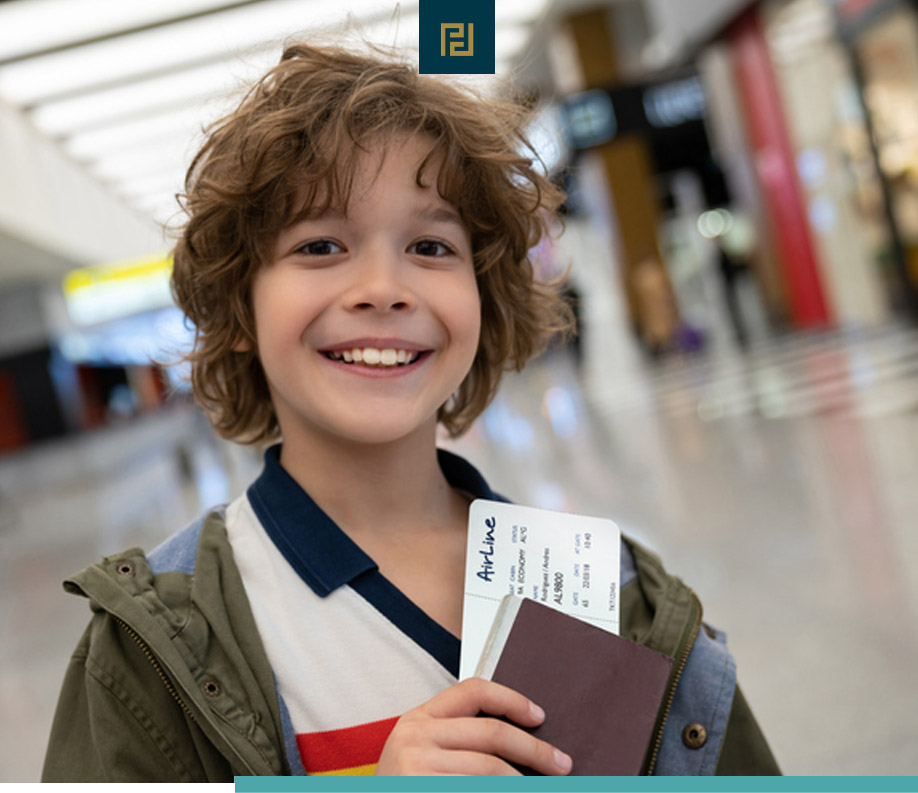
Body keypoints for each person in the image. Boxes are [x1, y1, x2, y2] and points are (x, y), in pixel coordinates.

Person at [42, 42, 779, 780]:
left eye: (429, 245)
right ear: (239, 306)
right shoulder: (156, 649)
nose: (382, 287)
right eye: (321, 244)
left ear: (483, 299)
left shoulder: (615, 590)